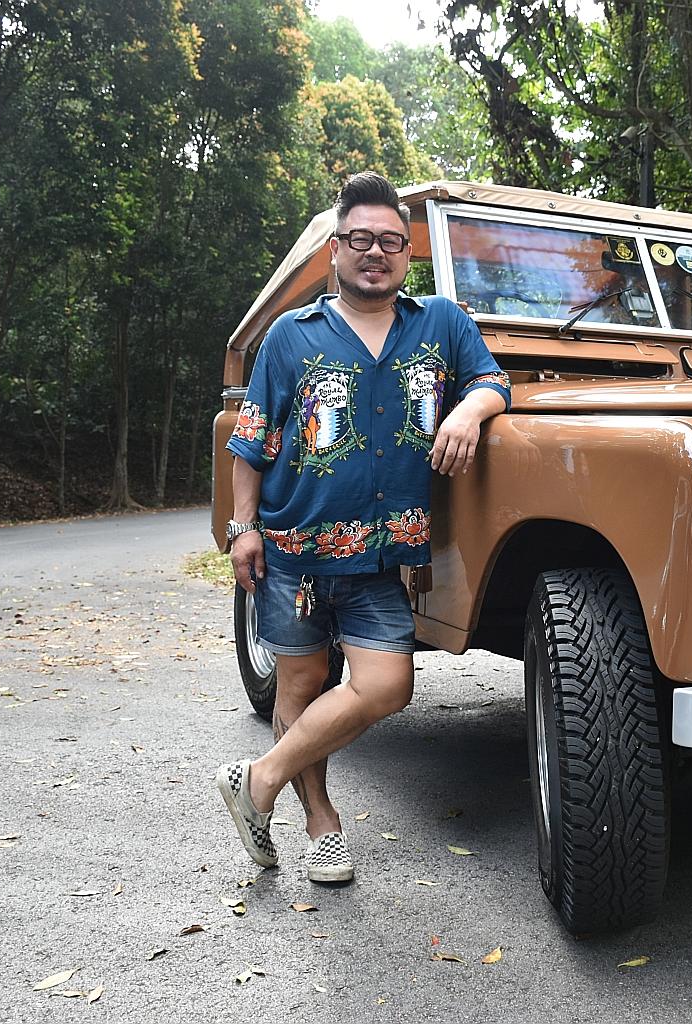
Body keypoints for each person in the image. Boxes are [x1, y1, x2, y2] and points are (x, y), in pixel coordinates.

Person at [215, 172, 510, 884]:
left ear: (407, 253)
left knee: (387, 686)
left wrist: (469, 412)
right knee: (301, 686)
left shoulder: (440, 322)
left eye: (388, 241)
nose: (373, 252)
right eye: (359, 240)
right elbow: (251, 442)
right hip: (296, 551)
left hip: (382, 556)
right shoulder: (292, 336)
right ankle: (321, 826)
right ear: (336, 250)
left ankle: (255, 782)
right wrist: (241, 529)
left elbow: (492, 380)